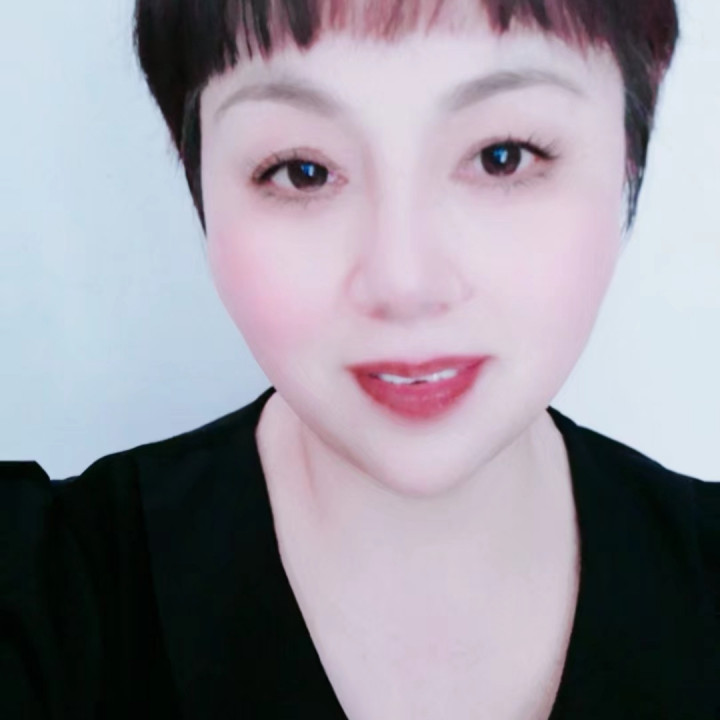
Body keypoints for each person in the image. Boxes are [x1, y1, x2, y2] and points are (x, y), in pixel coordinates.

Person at [2, 0, 718, 718]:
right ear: (195, 164)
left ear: (629, 138)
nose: (404, 284)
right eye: (303, 171)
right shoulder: (38, 598)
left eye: (502, 156)